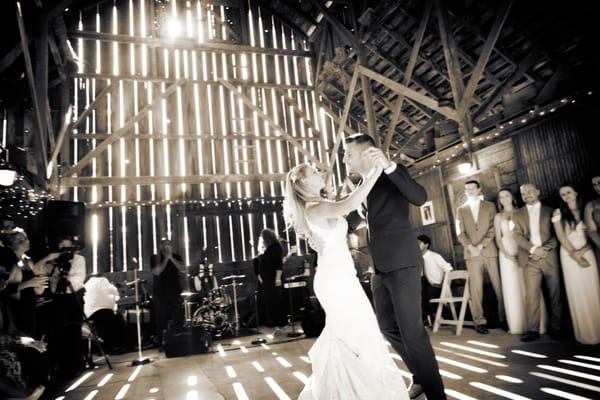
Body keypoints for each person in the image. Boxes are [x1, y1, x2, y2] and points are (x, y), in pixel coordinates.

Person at [284, 159, 409, 399]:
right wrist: (375, 170)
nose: (320, 172)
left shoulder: (318, 205)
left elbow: (339, 223)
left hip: (340, 277)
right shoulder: (315, 208)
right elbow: (350, 203)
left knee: (356, 336)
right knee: (358, 335)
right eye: (314, 171)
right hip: (336, 282)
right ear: (302, 183)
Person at [344, 134, 445, 400]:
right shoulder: (361, 185)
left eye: (349, 153)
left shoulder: (392, 172)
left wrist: (389, 166)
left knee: (412, 332)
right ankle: (421, 376)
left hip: (402, 263)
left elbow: (420, 197)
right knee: (387, 325)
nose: (345, 159)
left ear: (368, 153)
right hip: (379, 268)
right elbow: (353, 220)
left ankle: (437, 395)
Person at [512, 183, 562, 342]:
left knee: (555, 293)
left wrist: (544, 250)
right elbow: (517, 236)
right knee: (531, 295)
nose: (527, 195)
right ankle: (533, 330)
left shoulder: (550, 211)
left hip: (549, 257)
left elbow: (558, 235)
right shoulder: (517, 214)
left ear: (538, 192)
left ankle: (557, 327)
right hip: (530, 259)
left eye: (530, 192)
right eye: (523, 194)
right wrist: (533, 250)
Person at [552, 184, 600, 345]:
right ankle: (585, 334)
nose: (566, 196)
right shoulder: (559, 214)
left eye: (569, 192)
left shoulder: (586, 209)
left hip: (588, 252)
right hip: (569, 255)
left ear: (576, 192)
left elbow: (593, 233)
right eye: (563, 194)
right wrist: (575, 255)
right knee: (577, 291)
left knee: (593, 289)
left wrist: (583, 251)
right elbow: (561, 237)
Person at [456, 180, 505, 334]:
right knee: (475, 289)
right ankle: (479, 321)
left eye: (472, 188)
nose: (469, 191)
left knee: (499, 286)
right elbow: (460, 232)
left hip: (489, 251)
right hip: (471, 254)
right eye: (467, 189)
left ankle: (505, 318)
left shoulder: (490, 206)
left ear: (479, 189)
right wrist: (470, 247)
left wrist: (481, 245)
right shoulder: (460, 210)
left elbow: (493, 228)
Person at [151, 238, 184, 348]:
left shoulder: (177, 257)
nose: (167, 246)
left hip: (175, 291)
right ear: (161, 247)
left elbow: (183, 269)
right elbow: (157, 272)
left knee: (178, 316)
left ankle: (179, 339)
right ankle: (161, 342)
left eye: (169, 244)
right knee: (161, 318)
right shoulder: (155, 258)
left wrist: (171, 258)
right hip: (160, 293)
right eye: (165, 244)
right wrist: (166, 259)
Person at [83, 275, 125, 353]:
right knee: (117, 320)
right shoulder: (103, 281)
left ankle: (102, 347)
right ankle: (114, 346)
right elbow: (116, 293)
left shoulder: (88, 284)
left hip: (88, 314)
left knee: (104, 323)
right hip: (102, 311)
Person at [417, 235, 453, 326]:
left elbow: (449, 269)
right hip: (427, 285)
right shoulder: (417, 258)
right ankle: (426, 318)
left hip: (438, 285)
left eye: (419, 243)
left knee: (426, 296)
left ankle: (446, 316)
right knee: (418, 292)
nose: (416, 245)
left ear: (426, 245)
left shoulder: (435, 256)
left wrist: (444, 285)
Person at [255, 229, 287, 329]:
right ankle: (274, 322)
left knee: (276, 300)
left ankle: (281, 322)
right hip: (267, 280)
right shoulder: (269, 248)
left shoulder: (276, 247)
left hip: (273, 279)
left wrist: (277, 279)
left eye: (262, 237)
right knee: (270, 301)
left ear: (267, 237)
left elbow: (279, 265)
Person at [584, 175, 600, 262]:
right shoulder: (591, 206)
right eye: (594, 184)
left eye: (599, 183)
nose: (597, 187)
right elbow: (592, 231)